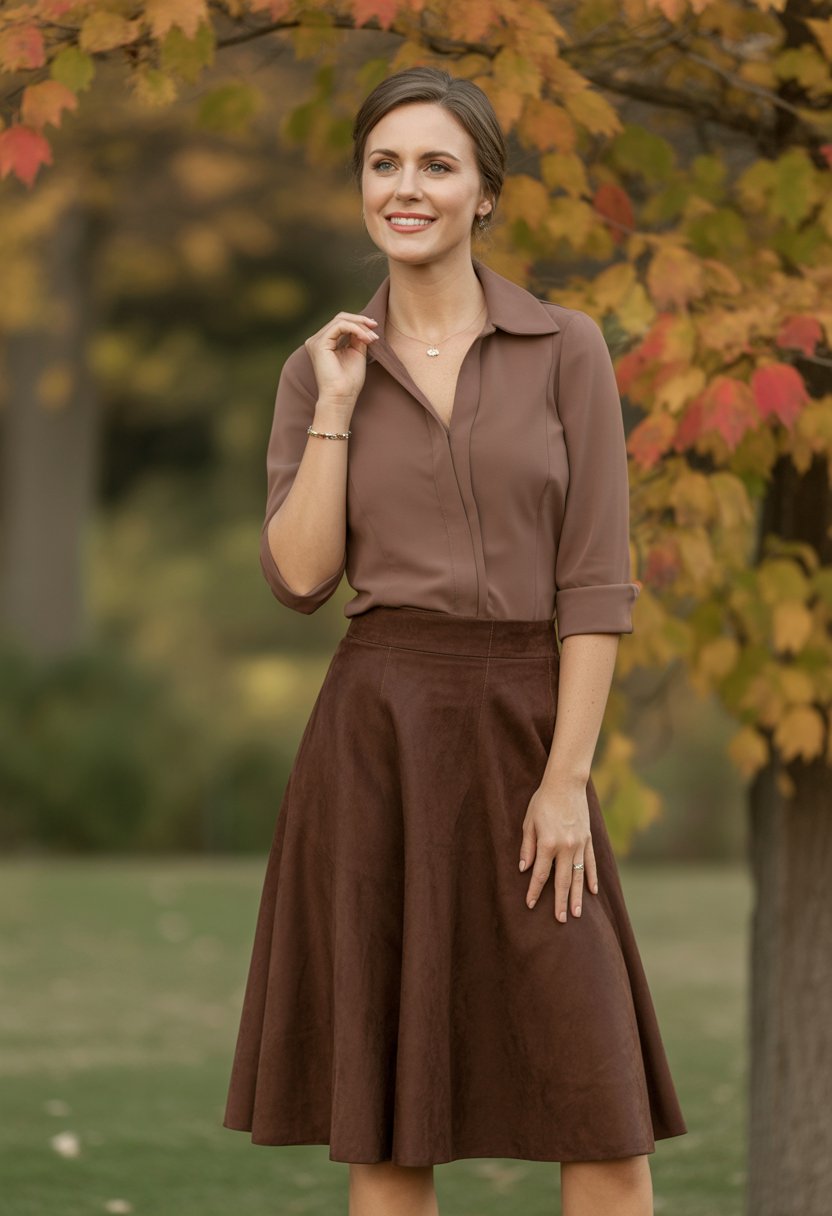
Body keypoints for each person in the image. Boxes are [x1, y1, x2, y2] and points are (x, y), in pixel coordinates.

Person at [222, 66, 687, 1216]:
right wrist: (335, 401)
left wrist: (566, 777)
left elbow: (593, 580)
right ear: (361, 189)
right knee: (390, 1132)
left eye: (436, 164)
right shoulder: (317, 364)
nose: (407, 187)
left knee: (602, 1125)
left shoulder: (565, 346)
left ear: (486, 194)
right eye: (384, 164)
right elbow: (297, 576)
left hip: (532, 724)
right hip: (380, 734)